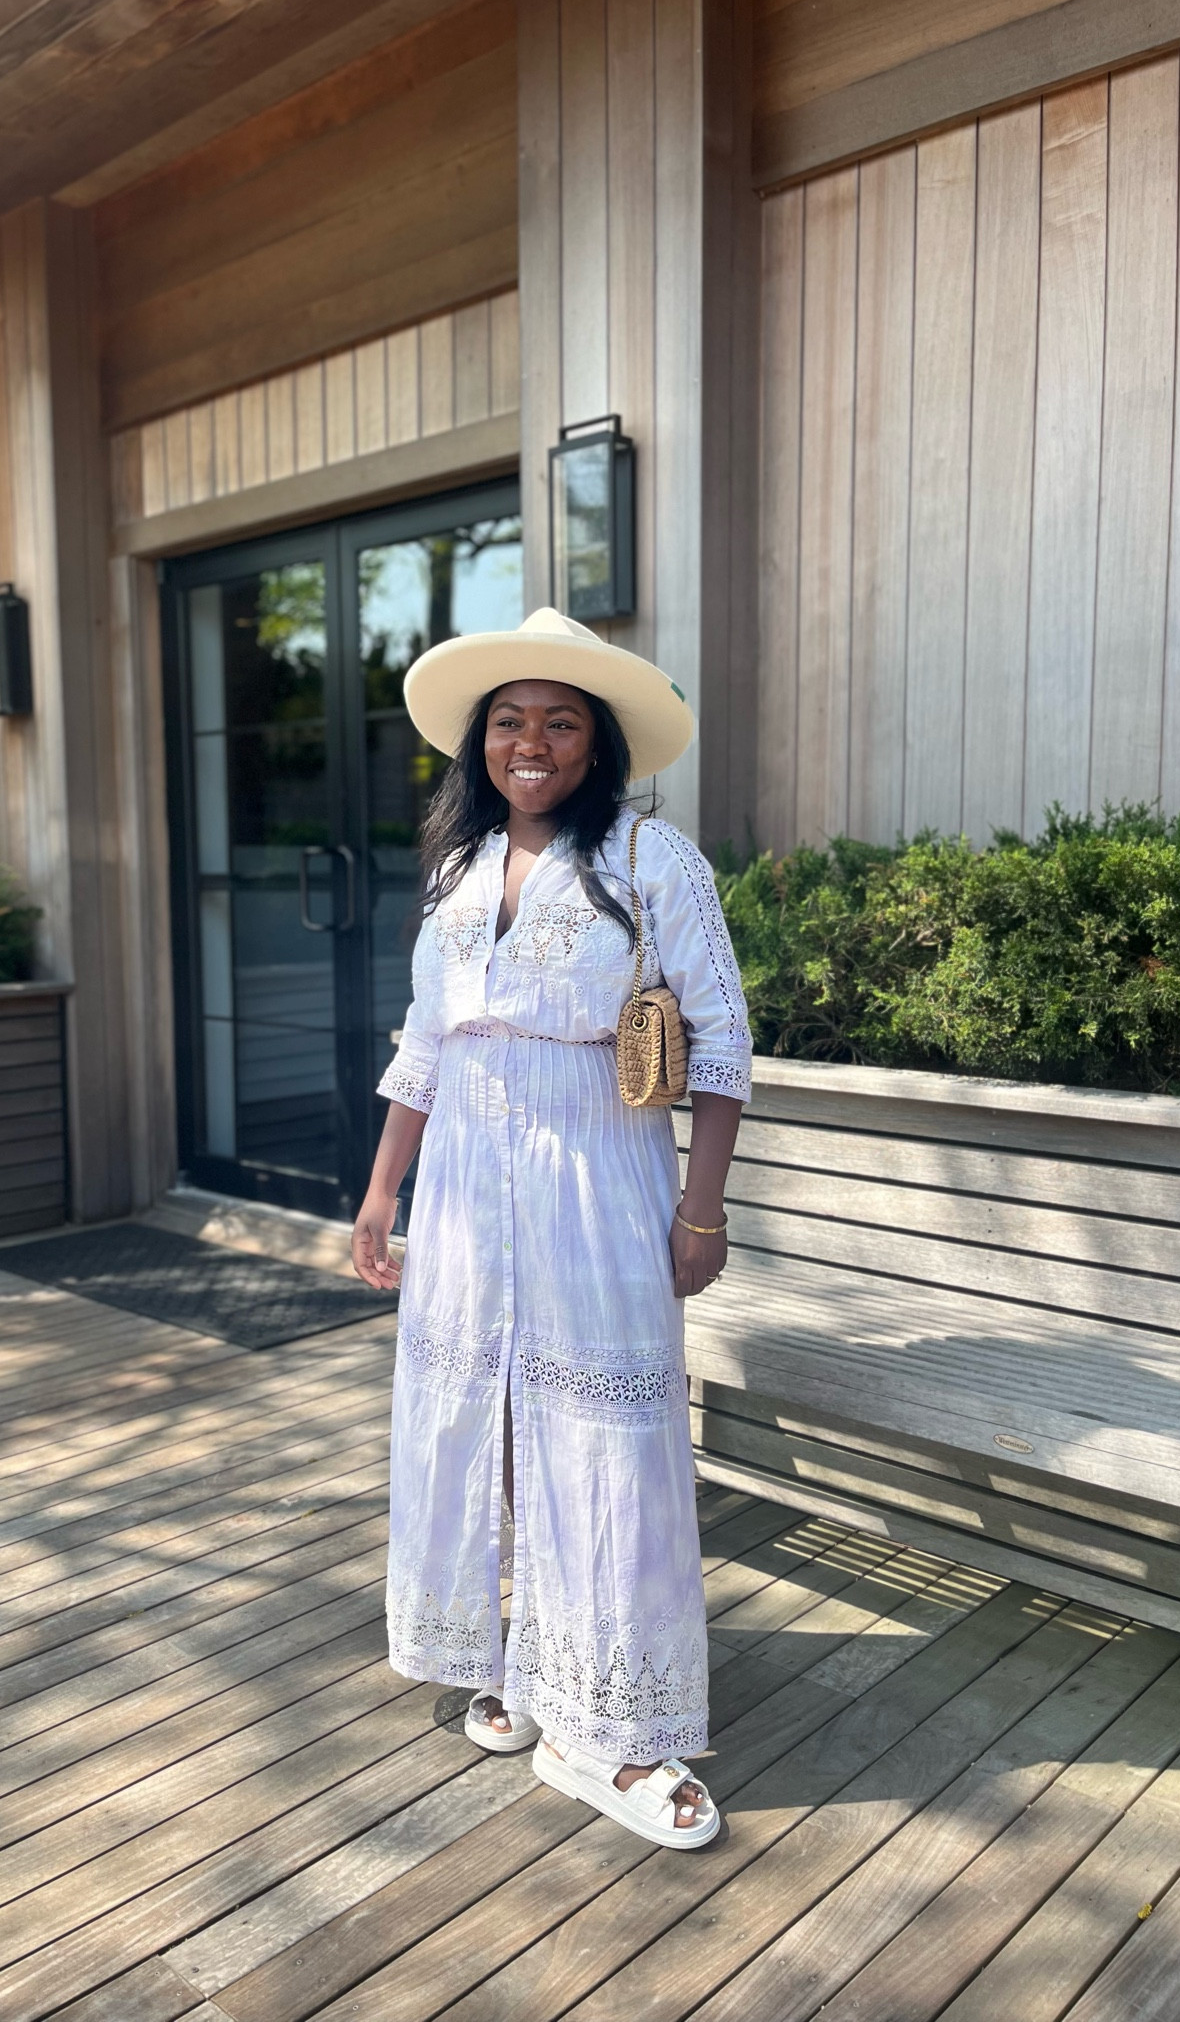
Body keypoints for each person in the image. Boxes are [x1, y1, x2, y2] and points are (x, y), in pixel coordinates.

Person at [350, 607, 751, 1850]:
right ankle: (523, 1657)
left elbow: (723, 1044)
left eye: (559, 722)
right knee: (488, 1415)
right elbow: (425, 1048)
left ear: (597, 744)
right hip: (467, 1184)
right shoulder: (457, 875)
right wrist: (380, 1191)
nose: (533, 741)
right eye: (510, 721)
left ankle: (621, 1730)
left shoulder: (650, 860)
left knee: (610, 1438)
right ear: (483, 744)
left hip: (597, 1174)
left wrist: (703, 1205)